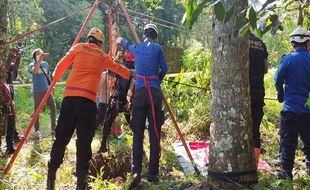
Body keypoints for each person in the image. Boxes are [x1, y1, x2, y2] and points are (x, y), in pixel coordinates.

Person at [46, 27, 132, 190]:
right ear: (100, 43)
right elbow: (118, 69)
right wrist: (130, 73)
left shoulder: (78, 48)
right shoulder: (101, 56)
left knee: (61, 138)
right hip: (87, 103)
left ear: (89, 39)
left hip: (69, 100)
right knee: (84, 142)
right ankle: (81, 184)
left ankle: (50, 179)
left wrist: (54, 81)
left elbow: (61, 65)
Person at [117, 23, 168, 189]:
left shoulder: (137, 47)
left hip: (139, 93)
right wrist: (156, 81)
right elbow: (165, 68)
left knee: (138, 132)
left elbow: (126, 44)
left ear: (145, 34)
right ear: (155, 36)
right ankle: (153, 173)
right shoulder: (158, 48)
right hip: (153, 92)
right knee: (154, 132)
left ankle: (136, 171)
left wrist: (119, 38)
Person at [274, 26, 310, 179]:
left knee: (288, 142)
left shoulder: (287, 59)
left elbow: (277, 79)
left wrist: (281, 93)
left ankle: (286, 173)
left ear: (293, 43)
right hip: (308, 111)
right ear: (307, 42)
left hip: (290, 110)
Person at [248, 32, 268, 164]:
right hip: (258, 91)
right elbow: (266, 69)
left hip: (243, 92)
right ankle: (254, 163)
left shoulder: (236, 40)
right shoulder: (261, 43)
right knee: (255, 129)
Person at [29, 48, 56, 139]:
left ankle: (53, 129)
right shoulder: (32, 64)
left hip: (47, 90)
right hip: (37, 91)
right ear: (34, 56)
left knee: (53, 108)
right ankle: (37, 131)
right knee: (37, 112)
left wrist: (52, 87)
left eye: (41, 53)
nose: (40, 55)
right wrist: (39, 61)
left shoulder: (46, 64)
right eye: (38, 54)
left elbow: (48, 75)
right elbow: (35, 71)